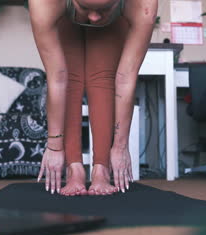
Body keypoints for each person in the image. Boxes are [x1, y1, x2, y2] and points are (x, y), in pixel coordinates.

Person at [30, 0, 158, 196]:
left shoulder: (142, 5)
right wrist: (54, 147)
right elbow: (57, 79)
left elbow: (125, 79)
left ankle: (101, 169)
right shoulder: (45, 3)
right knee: (69, 78)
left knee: (103, 77)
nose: (94, 17)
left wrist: (120, 146)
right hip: (63, 13)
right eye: (85, 8)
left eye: (104, 9)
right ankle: (74, 169)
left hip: (116, 20)